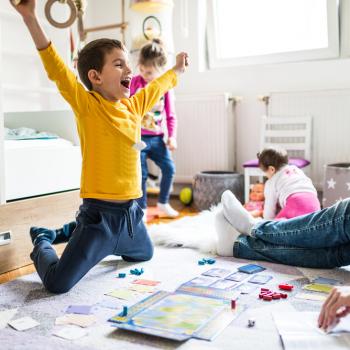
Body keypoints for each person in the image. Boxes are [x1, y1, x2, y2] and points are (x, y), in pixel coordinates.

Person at [11, 0, 188, 294]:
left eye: (128, 65)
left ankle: (69, 233)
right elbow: (55, 68)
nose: (128, 70)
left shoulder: (133, 106)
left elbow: (157, 88)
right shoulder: (87, 105)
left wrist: (177, 70)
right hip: (99, 219)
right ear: (95, 77)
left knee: (144, 254)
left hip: (132, 216)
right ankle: (43, 238)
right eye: (119, 64)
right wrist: (30, 18)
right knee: (58, 283)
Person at [130, 39, 179, 219]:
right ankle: (141, 208)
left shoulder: (165, 88)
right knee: (140, 174)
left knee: (169, 168)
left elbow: (171, 115)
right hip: (138, 138)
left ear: (160, 69)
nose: (144, 74)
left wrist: (172, 137)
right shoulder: (135, 83)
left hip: (157, 138)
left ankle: (163, 203)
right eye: (141, 70)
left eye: (149, 72)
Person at [257, 147, 320, 220]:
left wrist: (267, 223)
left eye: (265, 172)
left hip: (295, 205)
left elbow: (269, 208)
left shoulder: (271, 182)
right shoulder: (296, 170)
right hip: (315, 205)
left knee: (276, 226)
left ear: (271, 169)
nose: (266, 175)